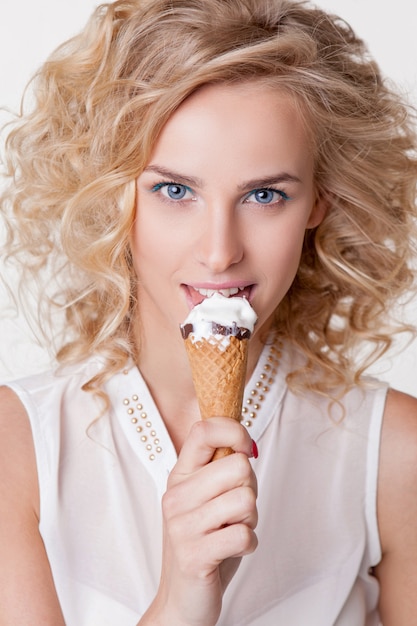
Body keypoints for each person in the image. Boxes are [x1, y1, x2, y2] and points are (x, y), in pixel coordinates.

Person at [1, 0, 417, 624]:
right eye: (175, 190)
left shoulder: (393, 451)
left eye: (265, 194)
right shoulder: (19, 448)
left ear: (319, 203)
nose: (221, 251)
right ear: (114, 194)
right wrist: (180, 597)